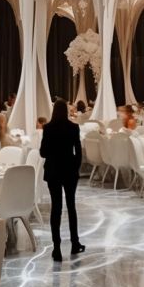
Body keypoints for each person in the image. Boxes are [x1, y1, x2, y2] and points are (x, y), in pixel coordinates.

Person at [40, 99, 84, 262]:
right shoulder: (73, 128)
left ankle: (56, 248)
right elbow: (78, 152)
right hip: (69, 171)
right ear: (66, 111)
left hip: (53, 171)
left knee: (56, 208)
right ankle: (74, 242)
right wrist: (75, 168)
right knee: (71, 207)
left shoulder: (48, 128)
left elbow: (43, 152)